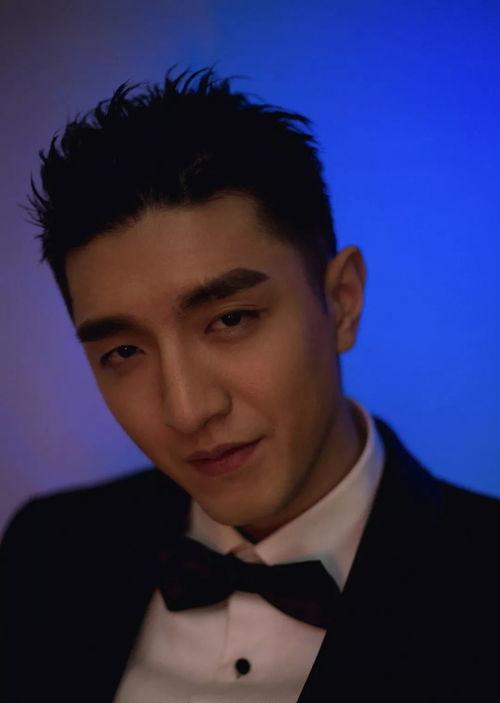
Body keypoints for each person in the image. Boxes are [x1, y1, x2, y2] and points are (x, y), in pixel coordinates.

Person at [1, 67, 499, 703]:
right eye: (124, 351)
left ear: (342, 301)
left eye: (231, 320)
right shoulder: (46, 551)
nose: (187, 411)